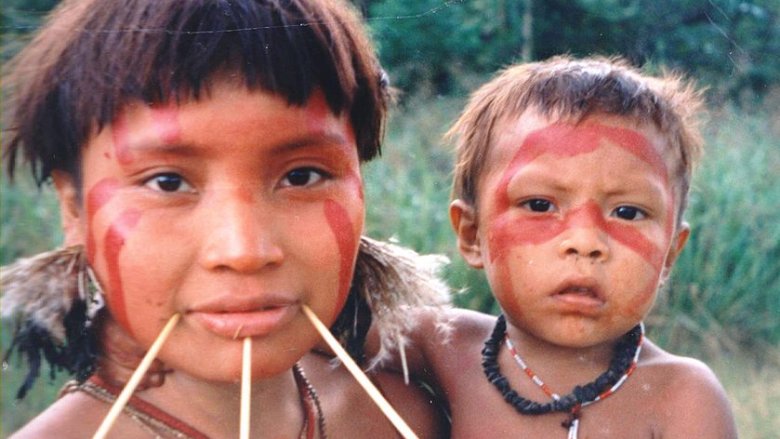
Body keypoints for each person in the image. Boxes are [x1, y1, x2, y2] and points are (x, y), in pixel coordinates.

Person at [0, 0, 450, 437]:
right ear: (74, 209)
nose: (244, 251)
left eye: (302, 175)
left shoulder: (406, 419)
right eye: (167, 183)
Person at [382, 55, 737, 438]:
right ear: (472, 234)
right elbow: (324, 319)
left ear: (669, 253)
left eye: (628, 212)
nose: (586, 242)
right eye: (539, 205)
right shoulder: (448, 347)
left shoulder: (682, 398)